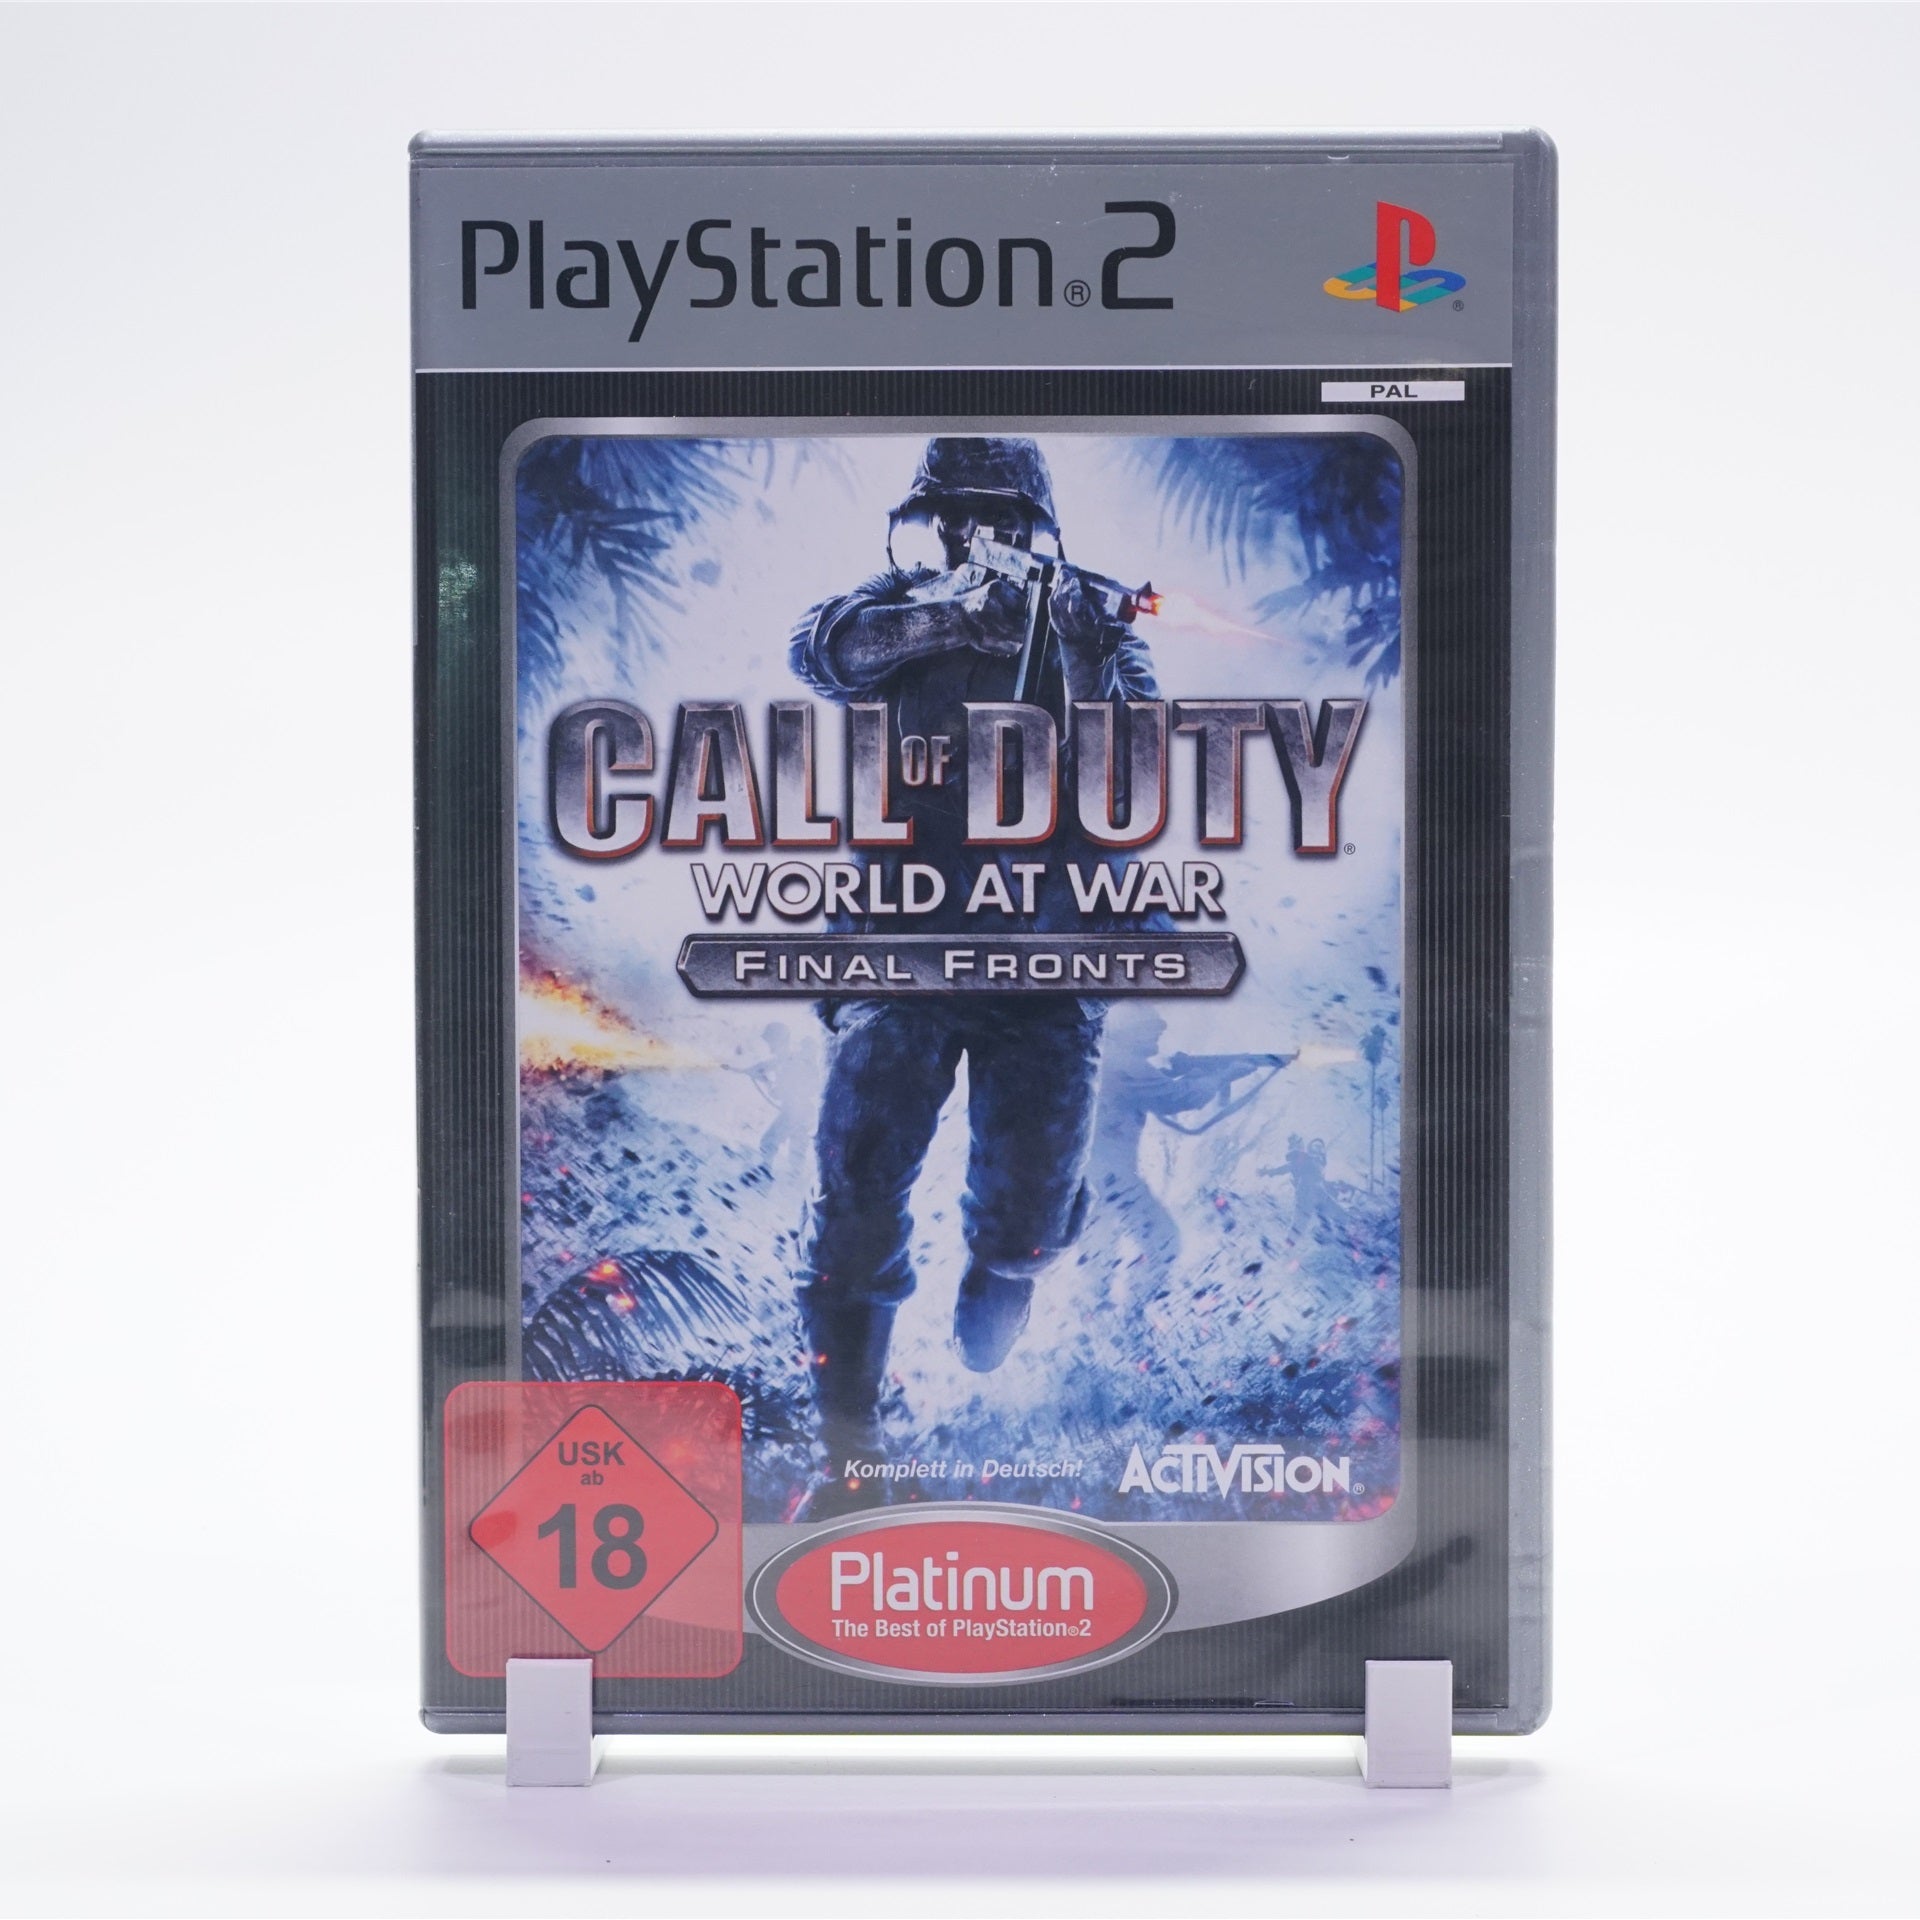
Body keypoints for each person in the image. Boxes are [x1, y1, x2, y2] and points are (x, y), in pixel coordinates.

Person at [787, 437, 1159, 1478]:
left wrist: (1078, 653)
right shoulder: (892, 607)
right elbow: (822, 652)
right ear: (935, 522)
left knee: (1026, 1226)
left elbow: (1134, 779)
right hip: (899, 952)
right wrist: (952, 618)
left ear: (1036, 528)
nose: (979, 532)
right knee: (856, 1190)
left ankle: (1004, 1276)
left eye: (1002, 516)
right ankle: (849, 1454)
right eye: (960, 514)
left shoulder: (1098, 628)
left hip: (1046, 970)